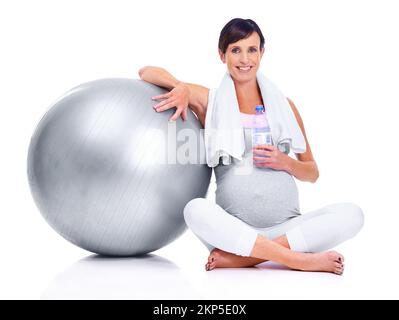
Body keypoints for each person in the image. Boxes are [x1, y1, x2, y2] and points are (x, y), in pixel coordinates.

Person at [139, 18, 364, 275]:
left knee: (353, 214)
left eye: (252, 49)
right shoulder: (208, 100)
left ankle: (246, 260)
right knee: (194, 210)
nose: (244, 59)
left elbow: (312, 172)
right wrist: (179, 87)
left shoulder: (285, 106)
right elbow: (146, 72)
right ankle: (299, 260)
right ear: (222, 54)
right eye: (236, 50)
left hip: (288, 229)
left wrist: (286, 163)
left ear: (262, 53)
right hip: (235, 233)